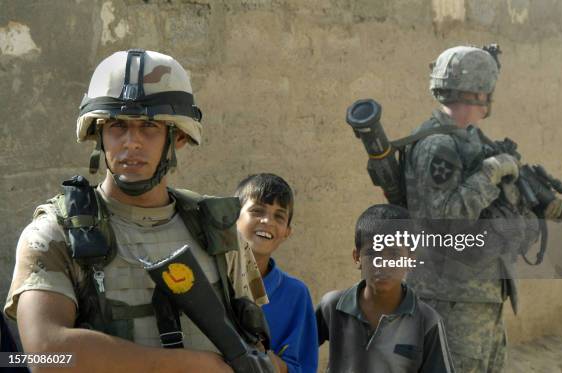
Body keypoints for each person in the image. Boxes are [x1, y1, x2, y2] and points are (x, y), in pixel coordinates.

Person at [3, 49, 272, 372]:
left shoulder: (217, 228)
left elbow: (253, 339)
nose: (132, 142)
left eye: (148, 127)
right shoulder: (56, 233)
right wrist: (195, 365)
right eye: (117, 126)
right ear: (98, 135)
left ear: (179, 137)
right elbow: (45, 355)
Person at [401, 45, 559, 372]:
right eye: (486, 91)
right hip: (450, 299)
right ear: (476, 92)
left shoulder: (470, 139)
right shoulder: (438, 145)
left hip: (479, 295)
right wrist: (490, 173)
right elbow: (445, 221)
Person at [316, 204, 455, 373]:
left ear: (410, 260)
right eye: (372, 253)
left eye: (394, 254)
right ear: (357, 257)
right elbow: (295, 354)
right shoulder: (332, 306)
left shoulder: (427, 321)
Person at [235, 173, 318, 373]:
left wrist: (277, 366)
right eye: (257, 211)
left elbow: (304, 366)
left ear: (287, 232)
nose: (267, 221)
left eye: (279, 216)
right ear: (233, 217)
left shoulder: (295, 294)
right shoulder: (210, 279)